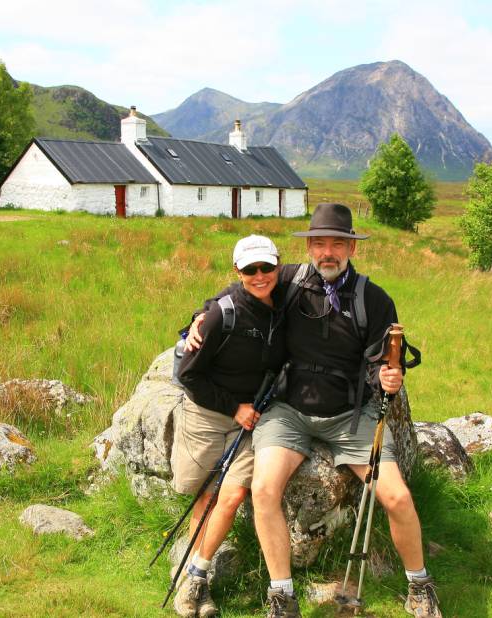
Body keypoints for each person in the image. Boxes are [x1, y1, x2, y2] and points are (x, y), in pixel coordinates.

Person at [188, 204, 440, 618]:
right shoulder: (288, 280)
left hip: (349, 416)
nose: (327, 252)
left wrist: (388, 380)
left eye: (337, 244)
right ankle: (282, 596)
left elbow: (381, 361)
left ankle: (419, 585)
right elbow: (245, 287)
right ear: (307, 246)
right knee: (264, 490)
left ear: (351, 249)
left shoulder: (373, 300)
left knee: (395, 496)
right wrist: (205, 311)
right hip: (288, 412)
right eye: (319, 243)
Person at [171, 234, 287, 618]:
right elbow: (189, 376)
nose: (260, 275)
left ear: (278, 266)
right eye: (250, 269)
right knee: (201, 494)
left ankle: (195, 581)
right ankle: (192, 581)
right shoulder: (222, 314)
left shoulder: (286, 299)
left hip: (252, 420)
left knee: (233, 495)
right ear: (237, 271)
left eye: (266, 267)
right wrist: (233, 407)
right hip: (209, 411)